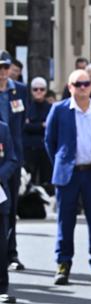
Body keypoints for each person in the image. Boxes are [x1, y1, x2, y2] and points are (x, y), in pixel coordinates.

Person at [45, 69, 91, 285]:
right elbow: (50, 142)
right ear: (70, 87)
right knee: (66, 222)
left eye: (86, 83)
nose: (82, 87)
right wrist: (62, 164)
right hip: (68, 175)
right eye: (77, 84)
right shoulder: (58, 110)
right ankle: (63, 264)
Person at [0, 50, 27, 272]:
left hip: (12, 157)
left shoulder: (21, 91)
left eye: (6, 67)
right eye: (0, 67)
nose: (2, 71)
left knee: (11, 206)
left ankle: (11, 253)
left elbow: (21, 125)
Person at [0, 120, 19, 304]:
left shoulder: (3, 128)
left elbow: (12, 159)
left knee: (1, 245)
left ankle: (2, 287)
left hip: (0, 196)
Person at [23, 77, 53, 189]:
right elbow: (24, 127)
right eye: (35, 89)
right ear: (31, 91)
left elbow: (50, 127)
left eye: (41, 89)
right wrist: (41, 125)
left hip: (45, 150)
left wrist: (32, 125)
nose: (38, 91)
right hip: (30, 149)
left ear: (46, 91)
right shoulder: (27, 108)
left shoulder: (51, 108)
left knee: (46, 181)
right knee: (29, 181)